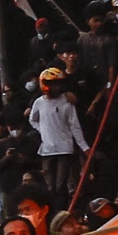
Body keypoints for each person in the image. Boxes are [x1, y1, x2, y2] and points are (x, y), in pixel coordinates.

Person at [28, 72, 88, 207]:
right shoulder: (39, 102)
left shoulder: (67, 101)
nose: (56, 87)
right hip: (47, 150)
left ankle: (61, 210)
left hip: (64, 149)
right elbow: (32, 119)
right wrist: (42, 130)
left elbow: (75, 126)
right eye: (53, 83)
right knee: (50, 187)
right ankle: (51, 212)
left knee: (61, 186)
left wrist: (84, 147)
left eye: (58, 83)